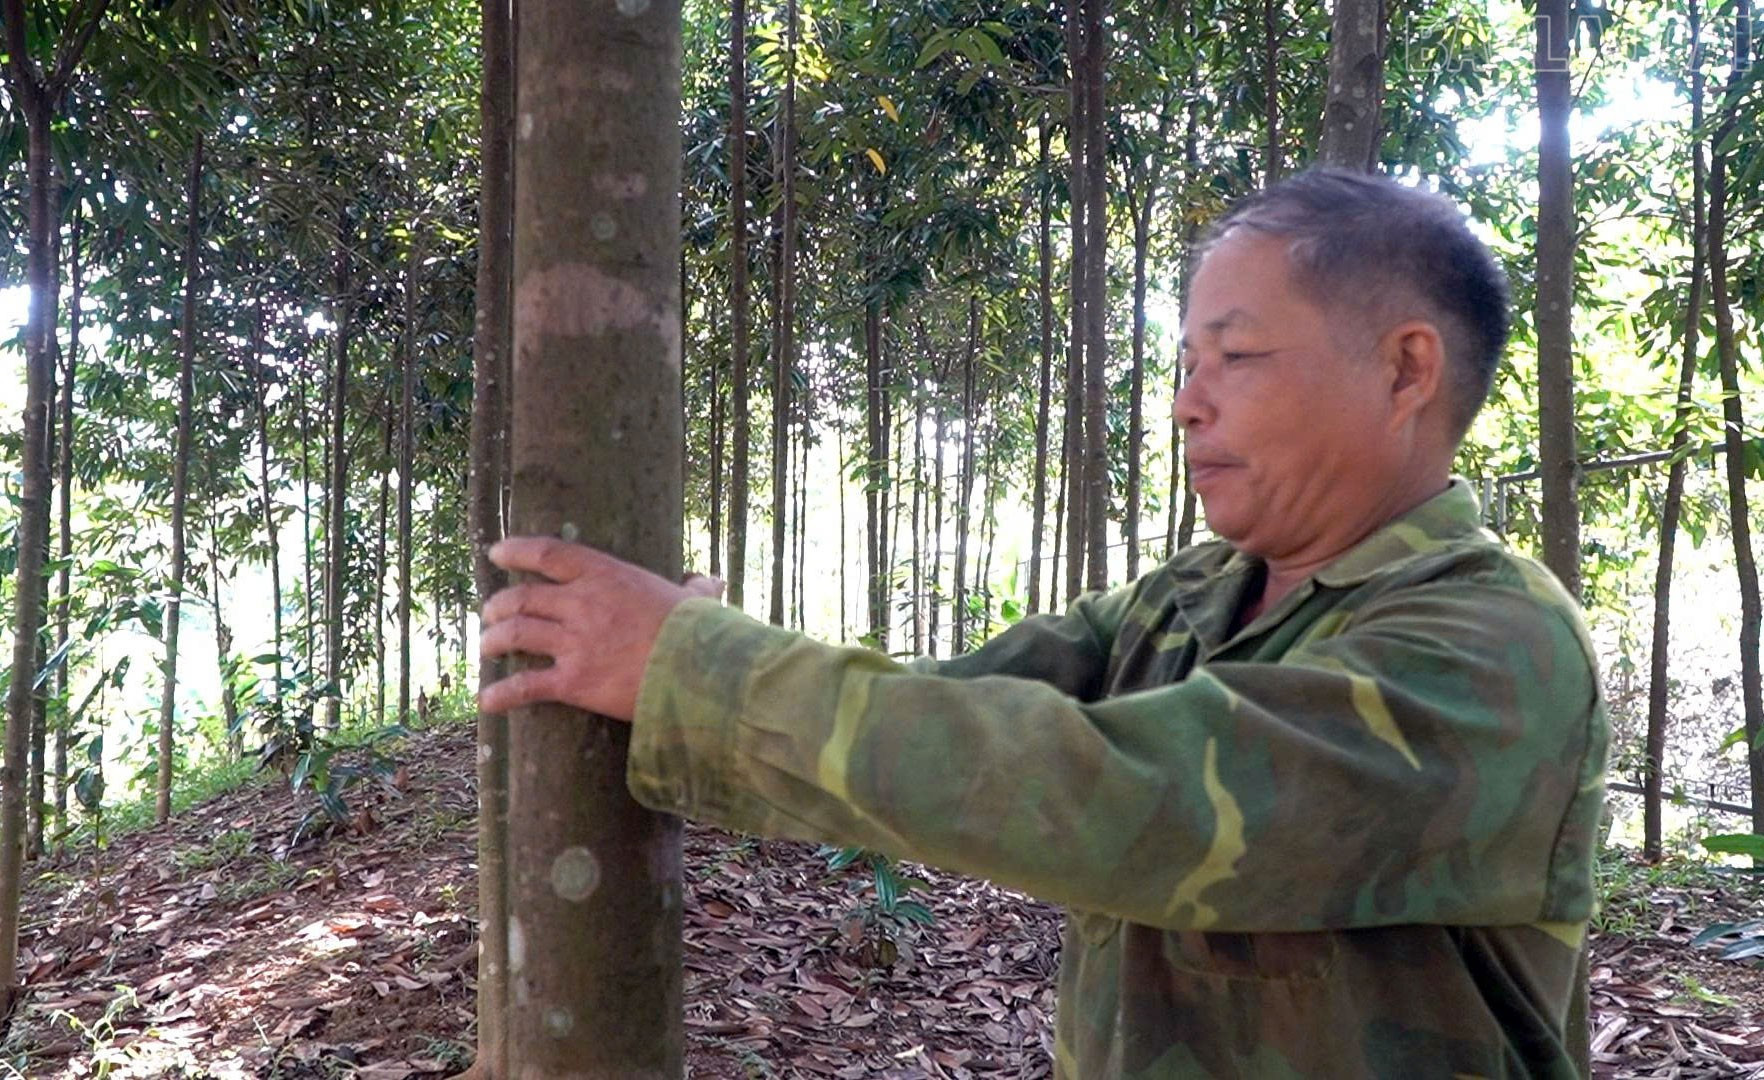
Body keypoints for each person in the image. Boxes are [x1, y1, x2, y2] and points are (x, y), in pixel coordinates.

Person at [479, 168, 1609, 1079]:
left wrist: (699, 668)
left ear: (1406, 370)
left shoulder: (1493, 647)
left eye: (1239, 357)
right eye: (1187, 362)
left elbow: (1120, 797)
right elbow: (962, 708)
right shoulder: (1191, 598)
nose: (1188, 402)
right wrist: (686, 661)